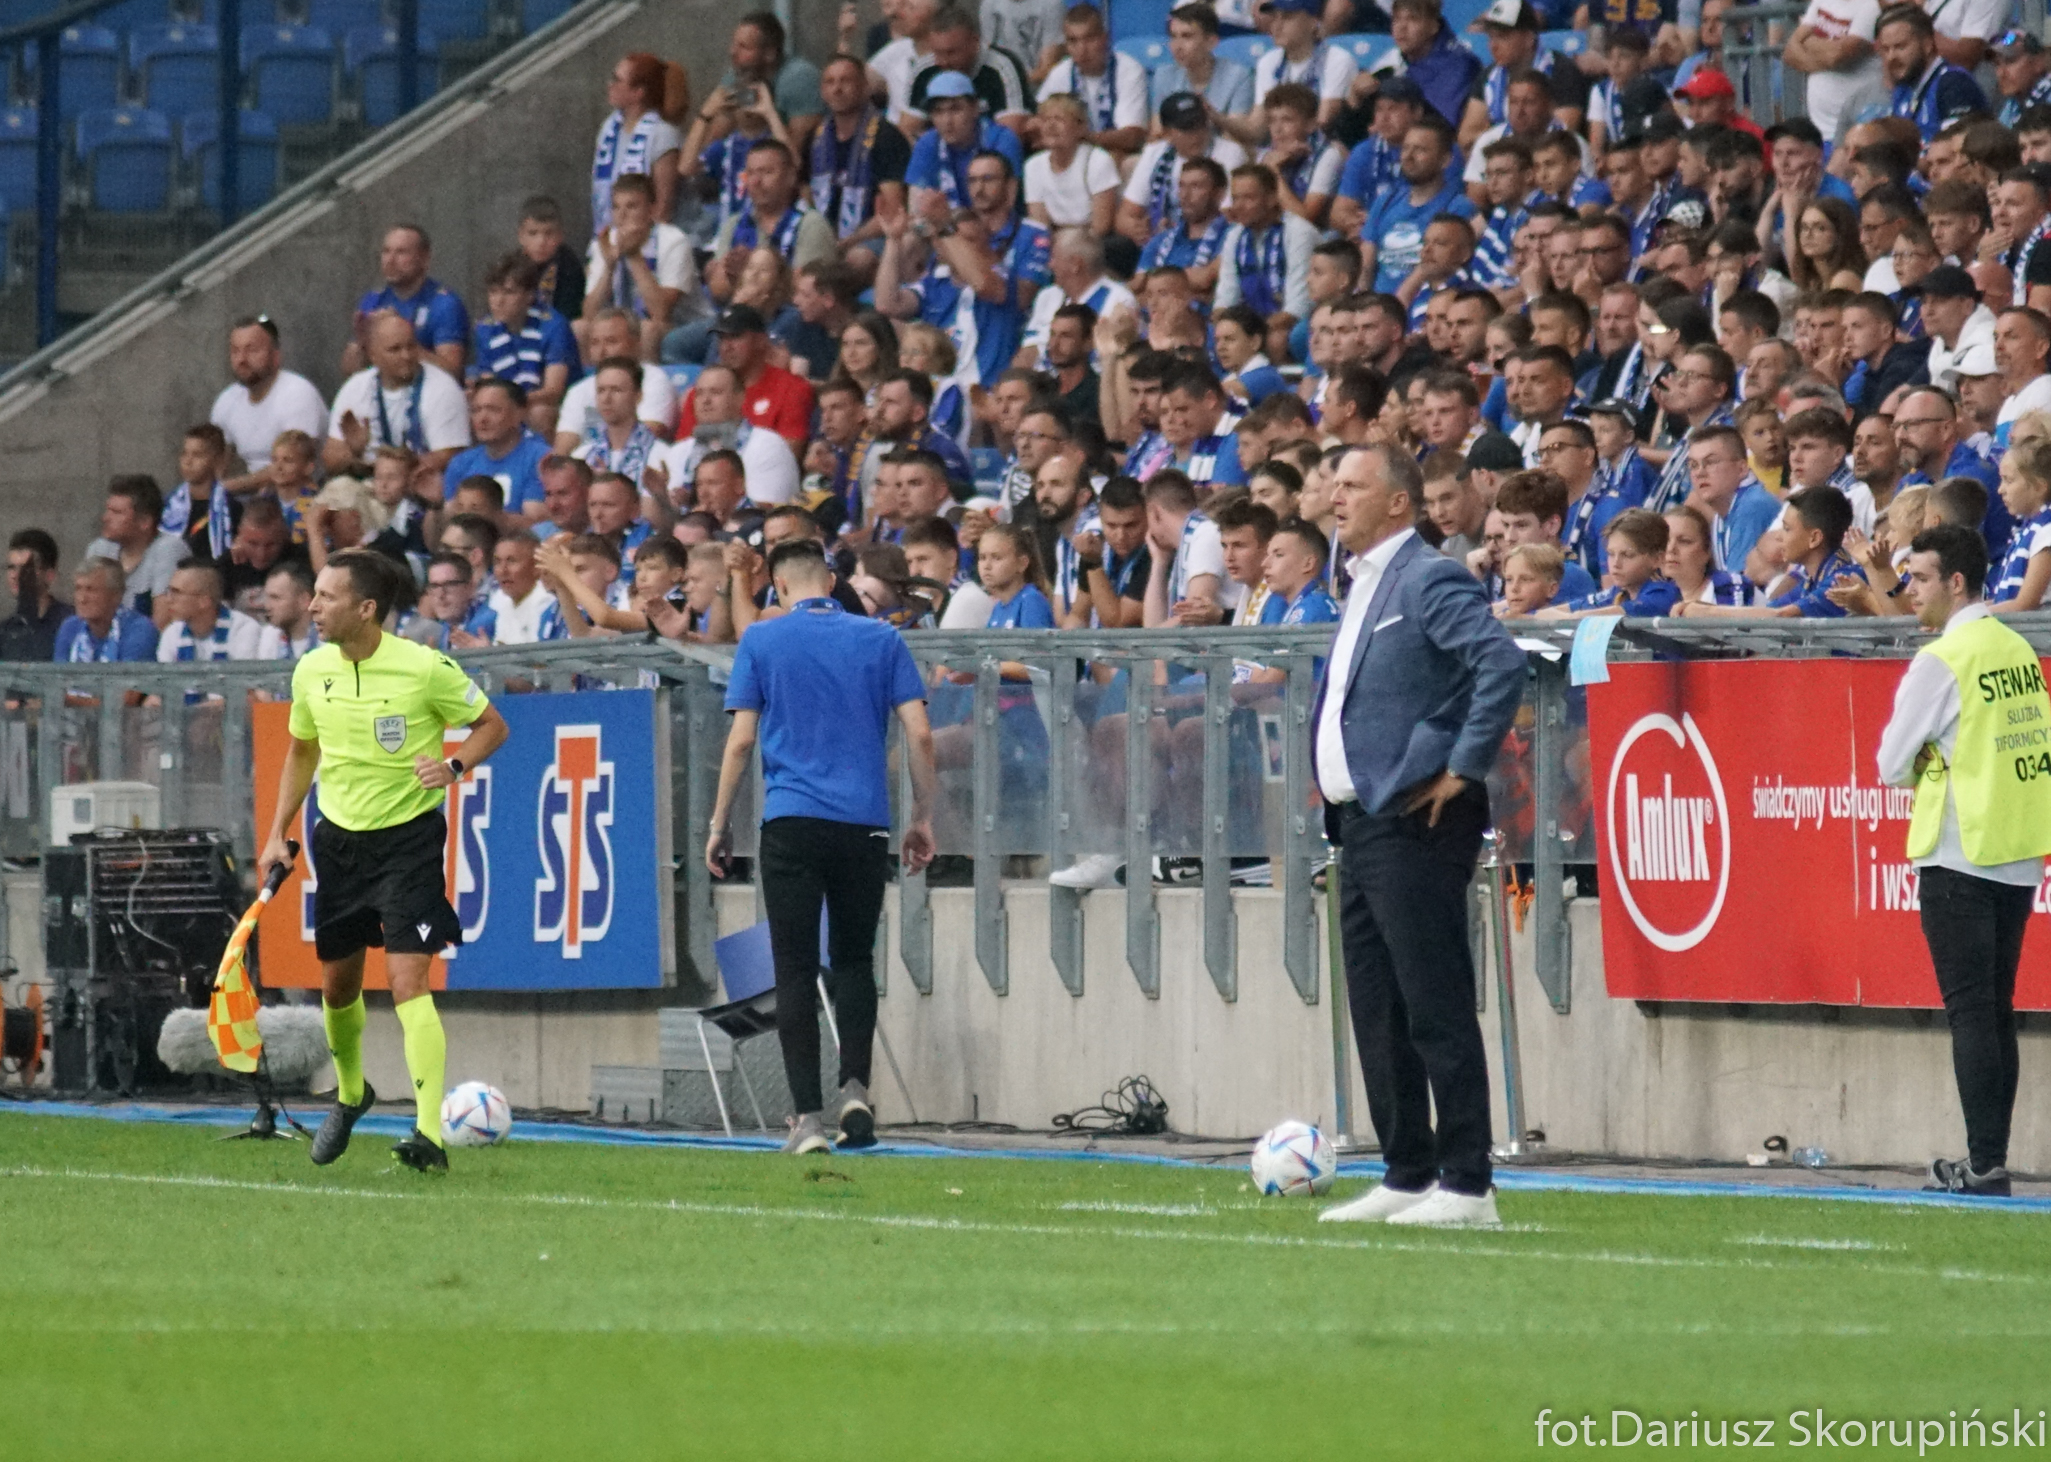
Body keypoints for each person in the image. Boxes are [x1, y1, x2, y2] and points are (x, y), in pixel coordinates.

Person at [1313, 444, 1524, 1229]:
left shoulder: (1428, 576)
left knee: (1433, 1000)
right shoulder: (1362, 581)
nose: (1335, 498)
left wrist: (1460, 767)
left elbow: (1497, 664)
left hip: (1415, 815)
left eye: (1351, 485)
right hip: (1360, 820)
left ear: (1397, 502)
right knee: (1377, 1005)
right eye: (1333, 485)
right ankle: (1407, 1170)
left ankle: (1468, 1184)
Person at [258, 549, 509, 1173]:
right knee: (337, 987)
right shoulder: (311, 669)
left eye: (327, 596)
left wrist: (453, 766)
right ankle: (351, 1093)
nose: (313, 606)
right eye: (314, 594)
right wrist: (276, 832)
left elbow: (491, 725)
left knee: (406, 982)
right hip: (338, 843)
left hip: (408, 842)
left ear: (366, 608)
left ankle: (428, 1136)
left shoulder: (424, 668)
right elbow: (302, 751)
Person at [707, 538, 937, 1154]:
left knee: (795, 968)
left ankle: (807, 1120)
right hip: (864, 822)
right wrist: (923, 817)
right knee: (855, 959)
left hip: (792, 821)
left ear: (778, 586)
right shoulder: (882, 638)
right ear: (832, 581)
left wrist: (719, 823)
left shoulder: (761, 639)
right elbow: (920, 733)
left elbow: (740, 741)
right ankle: (855, 1088)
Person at [1877, 524, 2051, 1198]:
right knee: (1994, 1010)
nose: (1909, 590)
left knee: (1972, 1012)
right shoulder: (2013, 648)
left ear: (1956, 582)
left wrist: (1929, 758)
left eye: (1920, 577)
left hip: (1957, 852)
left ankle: (1984, 1164)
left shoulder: (1943, 659)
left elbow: (1891, 763)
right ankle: (1988, 1160)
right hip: (2013, 849)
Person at [326, 314, 470, 480]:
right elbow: (329, 460)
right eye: (395, 349)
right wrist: (354, 452)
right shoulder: (355, 388)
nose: (406, 356)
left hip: (422, 485)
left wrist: (391, 473)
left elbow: (449, 455)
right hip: (368, 481)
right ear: (373, 355)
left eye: (411, 346)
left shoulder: (443, 388)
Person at [584, 174, 700, 361]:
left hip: (680, 325)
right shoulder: (604, 242)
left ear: (651, 210)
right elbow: (589, 314)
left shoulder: (673, 241)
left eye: (631, 206)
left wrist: (633, 255)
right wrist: (610, 267)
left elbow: (661, 313)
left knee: (647, 329)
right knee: (581, 329)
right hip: (622, 324)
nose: (622, 215)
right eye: (616, 207)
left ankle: (647, 379)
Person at [210, 314, 329, 492]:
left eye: (252, 350)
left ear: (275, 356)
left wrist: (228, 487)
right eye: (235, 351)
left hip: (306, 493)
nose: (242, 359)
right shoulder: (226, 401)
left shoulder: (297, 393)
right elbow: (217, 463)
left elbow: (293, 466)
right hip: (254, 497)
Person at [343, 225, 469, 379]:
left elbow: (452, 372)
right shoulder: (373, 300)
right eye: (386, 251)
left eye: (401, 252)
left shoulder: (444, 304)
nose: (390, 260)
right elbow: (350, 373)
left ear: (424, 259)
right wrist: (362, 342)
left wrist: (401, 336)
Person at [590, 53, 686, 239]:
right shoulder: (609, 129)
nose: (610, 85)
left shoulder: (663, 134)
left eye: (617, 80)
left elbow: (664, 207)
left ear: (638, 92)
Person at [443, 377, 552, 519]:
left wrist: (483, 516)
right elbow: (449, 522)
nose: (482, 419)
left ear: (519, 414)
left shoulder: (541, 459)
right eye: (476, 410)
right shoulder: (460, 463)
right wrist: (434, 505)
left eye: (493, 410)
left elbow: (536, 522)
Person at [84, 476, 185, 621]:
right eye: (108, 510)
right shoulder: (99, 549)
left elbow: (162, 622)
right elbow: (87, 609)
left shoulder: (169, 549)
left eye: (116, 512)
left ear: (145, 522)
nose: (105, 518)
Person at [54, 558, 158, 663]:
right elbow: (59, 672)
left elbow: (130, 673)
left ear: (116, 595)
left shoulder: (139, 629)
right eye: (78, 589)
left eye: (91, 590)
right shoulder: (70, 628)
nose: (82, 599)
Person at [155, 560, 262, 661]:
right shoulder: (172, 632)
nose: (168, 600)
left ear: (204, 601)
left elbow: (243, 674)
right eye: (169, 591)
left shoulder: (243, 629)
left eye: (176, 592)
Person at [2, 530, 68, 662]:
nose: (16, 575)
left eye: (27, 569)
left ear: (49, 575)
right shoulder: (5, 630)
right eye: (11, 567)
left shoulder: (69, 624)